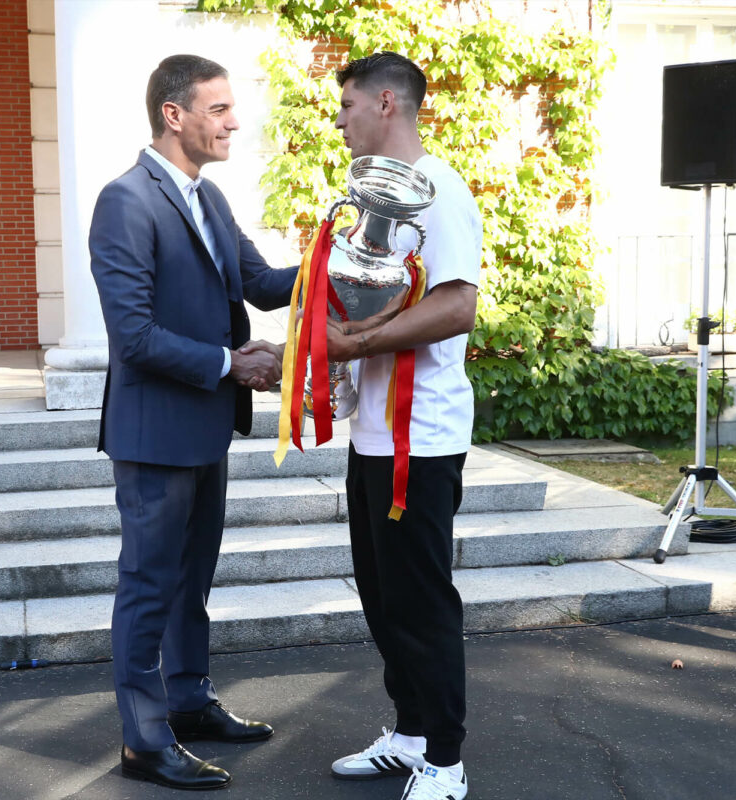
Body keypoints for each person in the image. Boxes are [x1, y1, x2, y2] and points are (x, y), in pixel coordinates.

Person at [89, 54, 297, 791]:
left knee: (192, 584)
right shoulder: (126, 201)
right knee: (149, 585)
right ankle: (144, 740)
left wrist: (348, 260)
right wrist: (229, 364)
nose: (234, 121)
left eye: (231, 108)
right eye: (218, 109)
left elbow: (264, 284)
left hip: (205, 429)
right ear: (173, 115)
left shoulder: (207, 200)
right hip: (154, 434)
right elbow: (134, 335)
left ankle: (187, 700)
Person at [323, 52, 482, 800]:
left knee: (422, 601)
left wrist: (350, 341)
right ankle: (411, 733)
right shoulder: (371, 199)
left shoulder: (441, 192)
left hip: (423, 439)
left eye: (348, 104)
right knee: (383, 598)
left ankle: (445, 762)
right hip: (376, 436)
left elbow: (456, 308)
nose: (341, 119)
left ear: (387, 102)